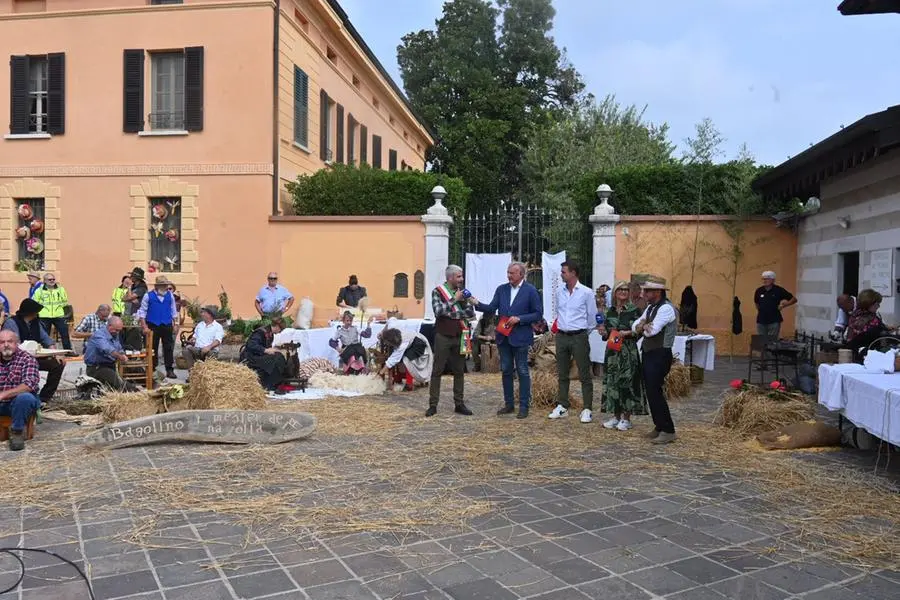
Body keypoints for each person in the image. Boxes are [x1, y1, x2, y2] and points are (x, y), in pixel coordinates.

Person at [473, 262, 543, 419]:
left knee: (523, 371)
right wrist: (476, 303)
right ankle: (509, 404)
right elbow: (491, 308)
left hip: (521, 337)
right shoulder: (501, 289)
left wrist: (519, 319)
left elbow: (538, 314)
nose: (509, 275)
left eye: (512, 273)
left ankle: (524, 406)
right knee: (506, 371)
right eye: (508, 272)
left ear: (521, 274)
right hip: (504, 337)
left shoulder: (531, 291)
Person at [548, 260, 598, 423]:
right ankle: (563, 405)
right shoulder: (559, 292)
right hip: (562, 335)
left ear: (573, 273)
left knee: (584, 372)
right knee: (562, 372)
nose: (561, 274)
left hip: (579, 336)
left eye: (564, 272)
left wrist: (582, 332)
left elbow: (592, 317)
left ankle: (587, 408)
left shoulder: (586, 292)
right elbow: (558, 312)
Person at [633, 275, 678, 444]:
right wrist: (641, 326)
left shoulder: (666, 309)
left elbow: (651, 331)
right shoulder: (651, 308)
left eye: (648, 290)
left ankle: (668, 429)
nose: (644, 293)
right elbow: (635, 325)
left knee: (655, 391)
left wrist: (642, 327)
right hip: (650, 353)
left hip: (660, 354)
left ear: (657, 292)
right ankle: (659, 426)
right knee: (651, 391)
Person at [598, 281, 645, 431]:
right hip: (612, 352)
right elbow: (606, 333)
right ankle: (615, 416)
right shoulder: (609, 311)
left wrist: (629, 333)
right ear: (615, 292)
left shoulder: (635, 311)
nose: (624, 292)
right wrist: (603, 332)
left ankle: (626, 418)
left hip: (628, 351)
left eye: (626, 289)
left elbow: (640, 331)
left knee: (627, 382)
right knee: (612, 382)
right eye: (620, 289)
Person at [428, 265, 474, 417]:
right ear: (450, 278)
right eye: (459, 277)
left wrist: (452, 313)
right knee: (437, 370)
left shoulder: (464, 293)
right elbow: (438, 311)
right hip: (443, 335)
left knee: (459, 370)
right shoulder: (438, 291)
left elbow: (469, 313)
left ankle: (459, 404)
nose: (461, 279)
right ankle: (433, 405)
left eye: (461, 276)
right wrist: (455, 300)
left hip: (461, 334)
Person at [2, 298, 65, 404]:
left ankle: (44, 398)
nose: (36, 314)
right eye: (35, 312)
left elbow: (47, 339)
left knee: (58, 364)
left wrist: (56, 353)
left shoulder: (36, 323)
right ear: (28, 312)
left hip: (35, 357)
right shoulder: (12, 323)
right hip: (17, 359)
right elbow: (15, 345)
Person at [0, 330, 42, 451]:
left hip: (18, 404)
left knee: (25, 397)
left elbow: (29, 384)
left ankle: (17, 432)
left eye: (10, 341)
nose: (6, 345)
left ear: (17, 343)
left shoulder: (27, 359)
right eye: (2, 342)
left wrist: (4, 394)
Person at [136, 276, 179, 379]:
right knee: (152, 348)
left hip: (167, 324)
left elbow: (174, 310)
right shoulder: (148, 296)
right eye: (163, 285)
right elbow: (142, 312)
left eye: (166, 285)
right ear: (158, 286)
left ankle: (169, 370)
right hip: (152, 325)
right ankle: (152, 368)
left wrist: (176, 324)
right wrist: (144, 326)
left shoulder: (170, 296)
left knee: (168, 348)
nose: (165, 287)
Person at [84, 316, 136, 392]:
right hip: (97, 368)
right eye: (116, 330)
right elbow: (107, 349)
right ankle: (136, 392)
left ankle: (139, 389)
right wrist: (120, 356)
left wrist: (122, 354)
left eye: (119, 330)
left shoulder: (114, 333)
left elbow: (118, 347)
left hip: (109, 366)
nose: (118, 332)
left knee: (130, 374)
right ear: (109, 326)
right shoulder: (99, 335)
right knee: (120, 384)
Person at [379, 325, 434, 390]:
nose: (387, 344)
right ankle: (398, 378)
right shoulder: (393, 333)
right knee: (402, 359)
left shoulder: (402, 344)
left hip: (419, 344)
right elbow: (390, 321)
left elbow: (393, 359)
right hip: (413, 342)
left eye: (387, 343)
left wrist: (381, 372)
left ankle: (409, 383)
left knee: (407, 360)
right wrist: (381, 335)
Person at [241, 318, 288, 390]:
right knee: (276, 359)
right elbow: (251, 345)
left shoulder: (270, 334)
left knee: (279, 356)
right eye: (280, 330)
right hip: (251, 357)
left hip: (259, 355)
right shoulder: (260, 332)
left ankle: (275, 383)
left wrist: (272, 350)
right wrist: (266, 350)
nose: (280, 332)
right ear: (277, 326)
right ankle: (268, 385)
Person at [845, 289, 893, 354]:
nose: (878, 306)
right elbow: (871, 337)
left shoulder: (856, 315)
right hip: (862, 353)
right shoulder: (861, 319)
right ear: (869, 304)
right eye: (877, 304)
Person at [33, 273, 71, 350]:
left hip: (59, 315)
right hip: (44, 315)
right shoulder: (39, 291)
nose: (52, 281)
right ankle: (45, 351)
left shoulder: (60, 290)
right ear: (45, 281)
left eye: (53, 279)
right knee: (44, 335)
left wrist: (60, 309)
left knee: (64, 334)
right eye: (50, 279)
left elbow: (65, 301)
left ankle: (68, 351)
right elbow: (35, 302)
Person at [754, 270, 796, 338]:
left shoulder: (778, 290)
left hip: (774, 321)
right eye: (763, 279)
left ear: (773, 280)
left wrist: (784, 305)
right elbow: (756, 303)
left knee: (772, 342)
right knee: (761, 343)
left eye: (767, 279)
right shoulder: (759, 290)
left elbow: (793, 299)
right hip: (761, 321)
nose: (765, 280)